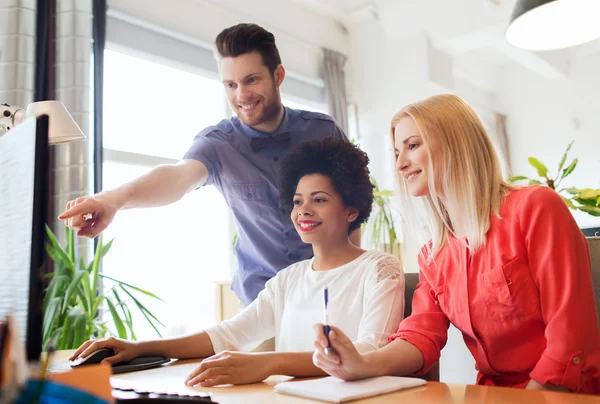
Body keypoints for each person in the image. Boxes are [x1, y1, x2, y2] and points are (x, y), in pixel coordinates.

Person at [312, 94, 600, 394]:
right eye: (396, 152)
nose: (399, 164)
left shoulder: (536, 208)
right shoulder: (434, 254)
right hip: (491, 395)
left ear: (455, 142)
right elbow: (420, 335)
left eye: (413, 145)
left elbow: (570, 341)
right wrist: (362, 363)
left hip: (561, 394)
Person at [58, 23, 356, 306]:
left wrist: (351, 268)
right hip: (262, 303)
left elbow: (353, 204)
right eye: (231, 84)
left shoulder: (323, 131)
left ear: (278, 75)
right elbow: (177, 177)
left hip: (330, 290)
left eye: (251, 80)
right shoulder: (218, 143)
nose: (241, 95)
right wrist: (112, 200)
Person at [69, 138, 404, 387]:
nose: (303, 210)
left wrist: (266, 364)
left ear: (351, 210)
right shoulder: (288, 280)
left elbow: (367, 354)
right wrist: (139, 347)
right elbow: (228, 335)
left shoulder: (379, 269)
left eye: (319, 200)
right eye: (298, 200)